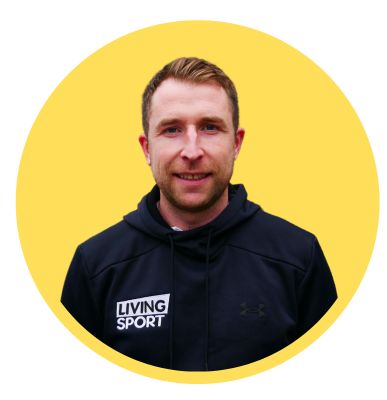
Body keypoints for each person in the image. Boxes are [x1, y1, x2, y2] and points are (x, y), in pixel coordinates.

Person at [61, 57, 337, 371]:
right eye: (172, 130)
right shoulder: (96, 265)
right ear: (147, 148)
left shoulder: (298, 257)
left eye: (210, 127)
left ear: (236, 143)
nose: (192, 151)